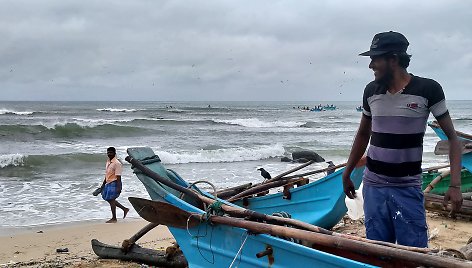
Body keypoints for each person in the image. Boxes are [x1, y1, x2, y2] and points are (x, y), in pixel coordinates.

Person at [342, 31, 463, 247]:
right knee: (378, 251)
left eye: (375, 59)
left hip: (407, 187)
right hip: (373, 187)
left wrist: (455, 185)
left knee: (413, 253)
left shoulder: (428, 89)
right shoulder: (371, 91)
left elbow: (453, 140)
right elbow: (363, 134)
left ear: (393, 60)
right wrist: (347, 172)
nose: (371, 65)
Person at [100, 147, 129, 223]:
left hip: (114, 183)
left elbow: (118, 176)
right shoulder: (108, 161)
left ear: (115, 153)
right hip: (108, 183)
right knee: (109, 199)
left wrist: (119, 187)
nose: (109, 154)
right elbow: (107, 174)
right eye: (108, 152)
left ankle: (114, 218)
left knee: (111, 200)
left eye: (111, 152)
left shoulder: (117, 163)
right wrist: (103, 184)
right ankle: (124, 209)